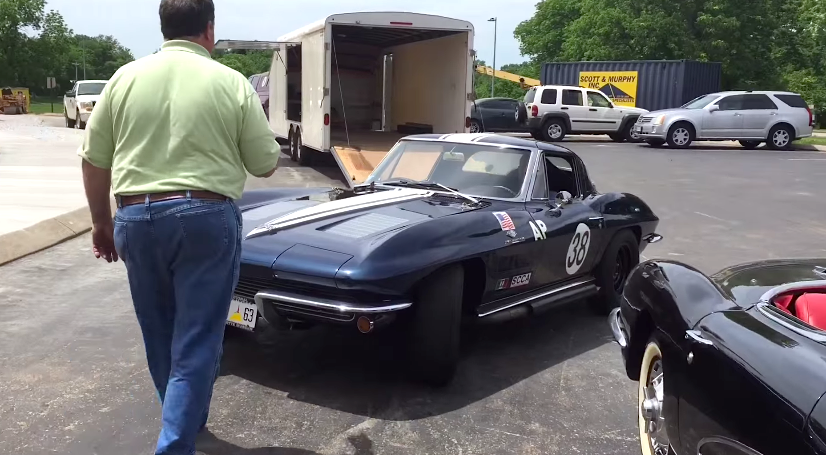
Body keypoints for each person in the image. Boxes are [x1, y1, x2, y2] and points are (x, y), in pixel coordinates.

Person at [77, 0, 278, 453]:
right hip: (206, 218)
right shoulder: (230, 83)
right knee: (198, 339)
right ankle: (175, 445)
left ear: (164, 28)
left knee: (159, 333)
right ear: (209, 29)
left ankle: (185, 424)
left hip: (135, 217)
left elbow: (93, 158)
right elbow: (265, 163)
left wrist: (99, 224)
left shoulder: (123, 78)